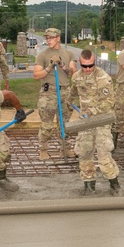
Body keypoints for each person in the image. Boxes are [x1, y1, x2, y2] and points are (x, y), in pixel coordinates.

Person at [68, 49, 121, 196]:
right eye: (84, 66)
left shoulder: (103, 77)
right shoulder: (76, 77)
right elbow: (73, 92)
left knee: (103, 152)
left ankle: (114, 183)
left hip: (102, 119)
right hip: (85, 121)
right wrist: (68, 101)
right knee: (84, 152)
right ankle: (89, 185)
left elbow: (110, 102)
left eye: (90, 66)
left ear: (94, 63)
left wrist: (92, 111)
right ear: (80, 63)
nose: (87, 69)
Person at [32, 27, 77, 160]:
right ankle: (43, 150)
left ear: (58, 38)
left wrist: (63, 65)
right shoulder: (43, 55)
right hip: (49, 92)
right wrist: (49, 67)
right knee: (46, 124)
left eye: (51, 37)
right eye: (47, 38)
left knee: (64, 124)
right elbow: (36, 75)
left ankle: (65, 148)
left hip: (64, 91)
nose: (48, 40)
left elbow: (73, 72)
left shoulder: (68, 53)